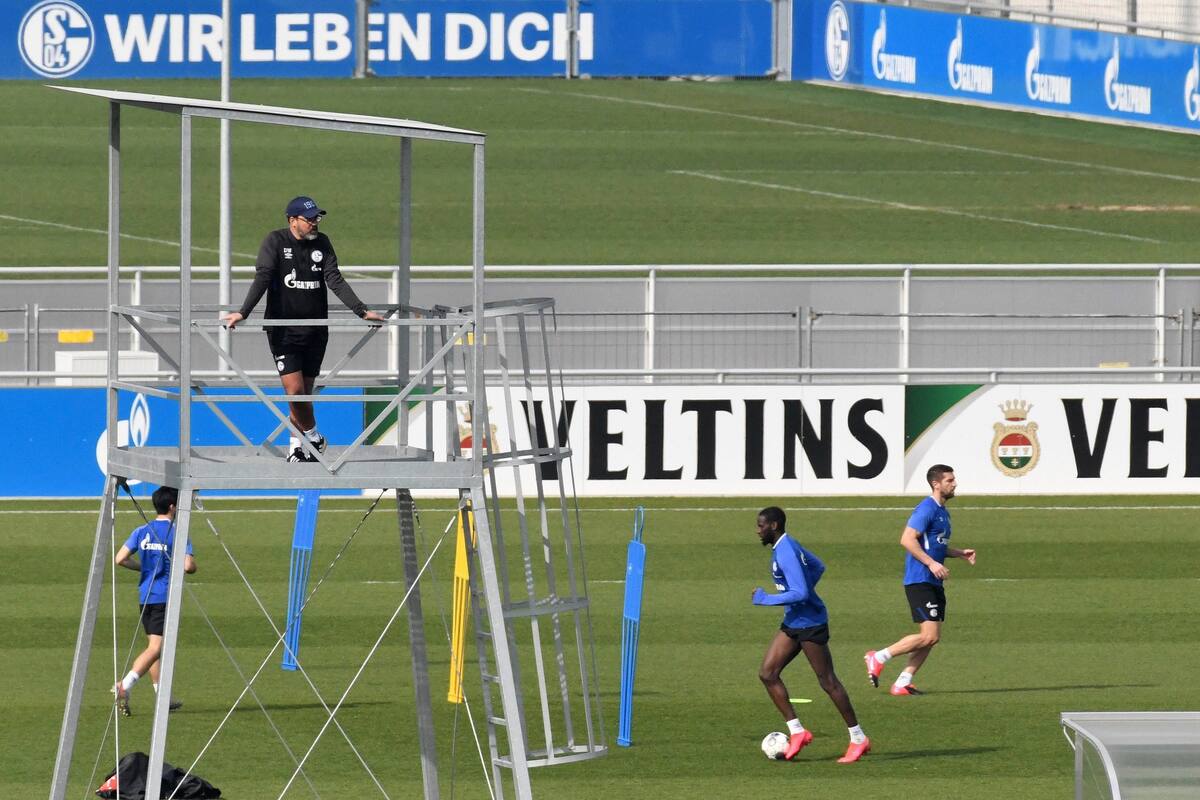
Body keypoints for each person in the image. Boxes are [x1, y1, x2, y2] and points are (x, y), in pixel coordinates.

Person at [222, 196, 384, 462]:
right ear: (292, 220)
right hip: (284, 331)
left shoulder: (323, 243)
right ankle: (314, 437)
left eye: (316, 218)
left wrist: (361, 310)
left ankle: (297, 446)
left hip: (316, 330)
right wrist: (244, 311)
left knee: (304, 394)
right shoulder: (275, 241)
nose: (314, 223)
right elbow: (262, 277)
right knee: (295, 392)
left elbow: (334, 279)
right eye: (309, 219)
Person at [752, 506, 870, 763]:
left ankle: (858, 738)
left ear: (773, 526)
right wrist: (802, 592)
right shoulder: (787, 545)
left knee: (828, 681)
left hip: (810, 623)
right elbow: (818, 567)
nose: (758, 530)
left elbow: (801, 592)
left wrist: (766, 599)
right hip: (795, 620)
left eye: (761, 525)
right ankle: (797, 731)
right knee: (767, 673)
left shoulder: (785, 552)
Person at [865, 463, 976, 696]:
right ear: (936, 484)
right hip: (920, 580)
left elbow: (935, 546)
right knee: (929, 635)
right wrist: (932, 564)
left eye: (953, 479)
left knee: (932, 638)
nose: (954, 483)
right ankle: (878, 656)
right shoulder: (926, 509)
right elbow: (907, 539)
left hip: (933, 581)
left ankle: (903, 682)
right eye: (949, 480)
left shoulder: (943, 512)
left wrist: (958, 553)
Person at [112, 486, 195, 716]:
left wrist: (144, 568)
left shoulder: (142, 530)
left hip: (145, 596)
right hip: (163, 596)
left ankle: (162, 697)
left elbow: (120, 559)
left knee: (154, 648)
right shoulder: (177, 532)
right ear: (172, 507)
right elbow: (189, 566)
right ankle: (124, 686)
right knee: (157, 648)